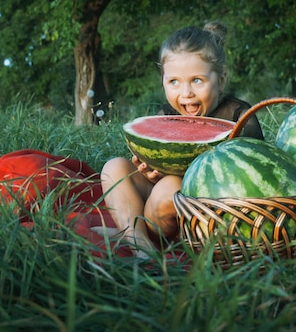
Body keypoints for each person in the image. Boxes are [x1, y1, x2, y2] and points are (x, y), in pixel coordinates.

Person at [100, 21, 264, 258]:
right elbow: (147, 175)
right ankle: (139, 242)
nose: (186, 93)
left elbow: (252, 179)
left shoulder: (240, 118)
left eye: (197, 80)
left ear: (221, 79)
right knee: (113, 167)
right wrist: (148, 173)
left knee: (171, 186)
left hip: (202, 212)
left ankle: (130, 233)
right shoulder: (166, 116)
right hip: (156, 204)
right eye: (174, 82)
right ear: (163, 81)